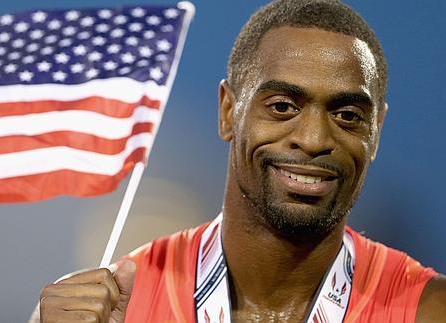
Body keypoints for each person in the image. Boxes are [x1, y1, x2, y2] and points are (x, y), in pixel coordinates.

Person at [31, 0, 446, 322]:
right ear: (229, 111)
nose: (314, 139)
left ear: (376, 130)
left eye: (348, 116)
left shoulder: (430, 310)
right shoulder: (109, 307)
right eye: (283, 106)